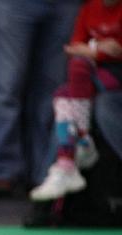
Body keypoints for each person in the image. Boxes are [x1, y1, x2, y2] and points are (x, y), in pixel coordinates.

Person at [0, 0, 82, 197]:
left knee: (53, 93)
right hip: (14, 5)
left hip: (65, 5)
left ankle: (44, 171)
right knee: (6, 88)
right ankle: (4, 172)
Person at [30, 0, 122, 202]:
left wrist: (92, 50)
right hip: (99, 75)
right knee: (69, 87)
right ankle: (74, 150)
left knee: (69, 93)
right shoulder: (89, 8)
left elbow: (116, 50)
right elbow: (72, 48)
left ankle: (72, 154)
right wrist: (99, 49)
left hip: (116, 76)